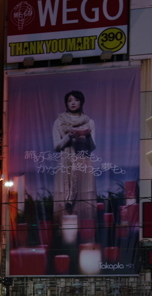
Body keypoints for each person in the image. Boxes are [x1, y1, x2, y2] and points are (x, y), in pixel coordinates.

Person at [53, 90, 97, 227]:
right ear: (66, 103)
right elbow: (56, 146)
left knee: (85, 197)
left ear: (81, 102)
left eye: (76, 100)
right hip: (65, 163)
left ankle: (86, 231)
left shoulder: (89, 122)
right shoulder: (59, 122)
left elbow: (92, 147)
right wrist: (68, 137)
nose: (73, 103)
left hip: (83, 162)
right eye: (70, 100)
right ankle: (63, 234)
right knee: (63, 197)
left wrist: (88, 136)